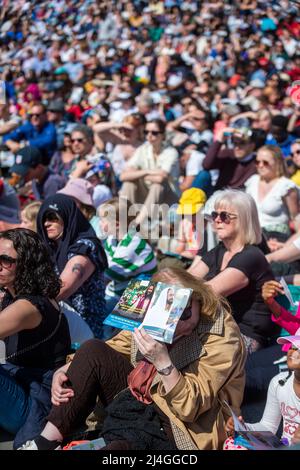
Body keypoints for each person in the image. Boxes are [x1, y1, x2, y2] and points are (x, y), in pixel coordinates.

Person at [18, 267, 246, 451]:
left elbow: (190, 408)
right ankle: (45, 441)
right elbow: (115, 346)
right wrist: (67, 367)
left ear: (197, 298)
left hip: (184, 425)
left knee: (121, 446)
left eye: (185, 312)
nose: (179, 323)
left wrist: (163, 362)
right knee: (92, 349)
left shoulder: (221, 333)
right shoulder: (152, 315)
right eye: (170, 316)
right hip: (142, 399)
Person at [0, 228, 71, 449]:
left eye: (5, 260)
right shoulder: (14, 297)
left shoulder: (27, 307)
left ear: (26, 264)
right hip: (23, 386)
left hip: (36, 402)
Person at [188, 189, 278, 353]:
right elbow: (187, 278)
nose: (217, 220)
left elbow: (208, 292)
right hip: (219, 328)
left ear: (243, 220)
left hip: (244, 336)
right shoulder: (220, 250)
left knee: (183, 348)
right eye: (215, 214)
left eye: (224, 216)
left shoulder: (251, 255)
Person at [36, 194, 108, 339]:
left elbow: (61, 289)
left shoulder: (85, 247)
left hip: (86, 330)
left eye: (53, 218)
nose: (46, 224)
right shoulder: (50, 247)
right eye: (43, 218)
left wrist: (23, 305)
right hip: (60, 322)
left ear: (67, 217)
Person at [225, 335, 300, 448]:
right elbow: (268, 426)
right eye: (292, 347)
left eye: (299, 348)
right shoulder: (279, 383)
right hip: (282, 446)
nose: (292, 352)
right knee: (234, 442)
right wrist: (244, 428)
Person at [99, 197, 157, 313]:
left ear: (116, 224)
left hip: (138, 295)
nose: (99, 223)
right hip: (120, 289)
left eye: (102, 220)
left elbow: (104, 278)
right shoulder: (112, 239)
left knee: (98, 319)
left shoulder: (132, 245)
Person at [120, 119, 180, 226]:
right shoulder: (143, 149)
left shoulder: (171, 152)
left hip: (168, 199)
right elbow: (123, 176)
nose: (149, 135)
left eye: (154, 133)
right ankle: (125, 220)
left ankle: (137, 224)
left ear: (163, 135)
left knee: (158, 185)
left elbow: (160, 179)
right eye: (146, 132)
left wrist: (138, 173)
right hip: (147, 198)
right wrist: (147, 171)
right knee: (128, 183)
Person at [245, 145, 299, 242]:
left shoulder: (286, 186)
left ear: (277, 163)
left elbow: (296, 220)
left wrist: (287, 247)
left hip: (276, 238)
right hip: (251, 235)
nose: (260, 165)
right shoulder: (252, 181)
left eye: (265, 162)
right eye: (257, 162)